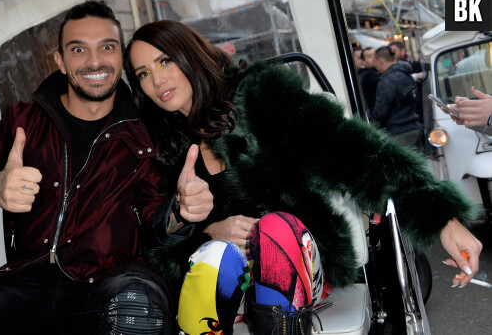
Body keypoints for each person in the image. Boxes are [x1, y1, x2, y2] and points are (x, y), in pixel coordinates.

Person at [124, 21, 482, 333]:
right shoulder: (160, 148)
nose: (156, 80)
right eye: (142, 73)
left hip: (297, 260)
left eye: (164, 61)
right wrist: (205, 230)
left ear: (189, 54)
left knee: (275, 230)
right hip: (225, 280)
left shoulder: (263, 97)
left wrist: (442, 220)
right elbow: (155, 242)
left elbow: (355, 154)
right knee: (214, 257)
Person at [0, 1, 213, 335]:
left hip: (115, 279)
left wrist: (181, 212)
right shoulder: (21, 121)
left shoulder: (145, 131)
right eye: (79, 48)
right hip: (27, 284)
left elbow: (155, 218)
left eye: (107, 47)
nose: (95, 61)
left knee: (135, 311)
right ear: (59, 60)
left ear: (120, 57)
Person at [371, 46, 424, 150]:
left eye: (375, 62)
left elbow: (381, 111)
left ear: (381, 61)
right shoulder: (406, 74)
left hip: (398, 133)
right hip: (414, 128)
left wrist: (372, 128)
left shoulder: (387, 80)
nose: (374, 65)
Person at [357, 47, 380, 116]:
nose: (374, 58)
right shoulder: (369, 76)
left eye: (375, 55)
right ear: (363, 61)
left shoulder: (366, 74)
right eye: (369, 56)